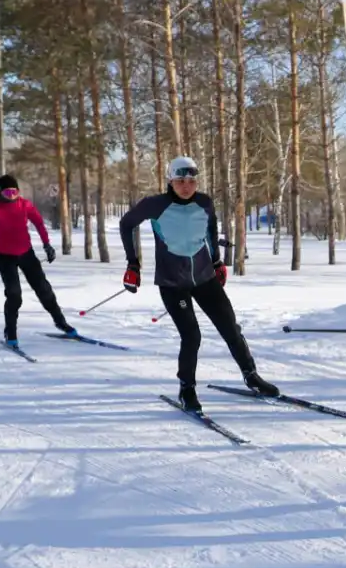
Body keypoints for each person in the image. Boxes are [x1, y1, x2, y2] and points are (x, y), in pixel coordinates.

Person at [119, 156, 278, 411]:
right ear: (170, 180)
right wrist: (133, 264)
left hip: (205, 278)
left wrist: (216, 262)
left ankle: (251, 376)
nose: (186, 186)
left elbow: (211, 229)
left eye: (191, 181)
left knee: (230, 327)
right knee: (192, 335)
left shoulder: (204, 203)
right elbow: (126, 224)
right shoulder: (155, 205)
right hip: (172, 283)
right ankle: (187, 389)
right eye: (180, 180)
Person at [0, 174, 77, 346]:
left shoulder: (25, 205)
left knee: (44, 290)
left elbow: (39, 224)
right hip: (5, 256)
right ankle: (10, 332)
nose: (12, 195)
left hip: (26, 253)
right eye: (7, 192)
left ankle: (61, 322)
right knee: (14, 295)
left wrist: (47, 245)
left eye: (14, 192)